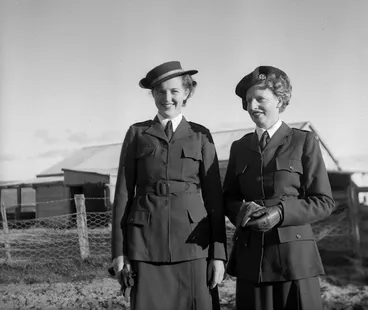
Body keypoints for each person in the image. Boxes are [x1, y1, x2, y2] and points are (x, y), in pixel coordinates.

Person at [111, 61, 227, 310]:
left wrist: (218, 254)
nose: (167, 98)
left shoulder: (201, 135)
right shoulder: (137, 133)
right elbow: (122, 195)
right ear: (152, 94)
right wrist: (119, 253)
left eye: (174, 91)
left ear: (186, 92)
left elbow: (215, 198)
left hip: (194, 244)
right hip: (145, 244)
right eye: (159, 91)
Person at [223, 65, 335, 310]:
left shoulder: (303, 141)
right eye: (248, 100)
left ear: (280, 100)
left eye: (260, 99)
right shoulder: (240, 148)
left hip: (295, 261)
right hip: (252, 259)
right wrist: (241, 212)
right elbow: (229, 197)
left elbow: (324, 201)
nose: (252, 106)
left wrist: (281, 212)